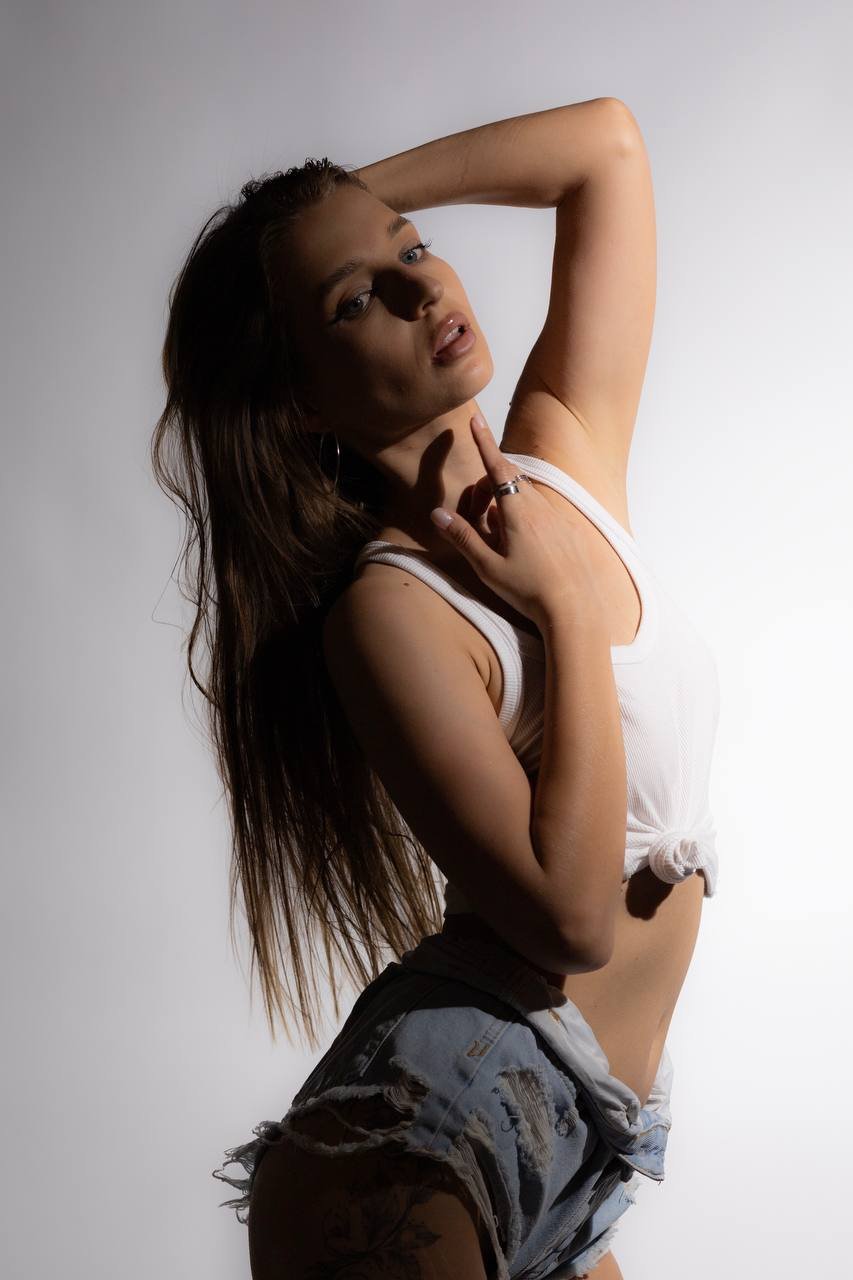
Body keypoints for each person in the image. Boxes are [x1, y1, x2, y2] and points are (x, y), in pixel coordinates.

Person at [152, 98, 721, 1279]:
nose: (418, 288)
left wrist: (336, 205)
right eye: (354, 300)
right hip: (430, 1136)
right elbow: (570, 920)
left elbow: (604, 146)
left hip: (580, 1152)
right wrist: (566, 611)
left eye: (411, 246)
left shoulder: (564, 452)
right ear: (302, 400)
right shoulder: (391, 611)